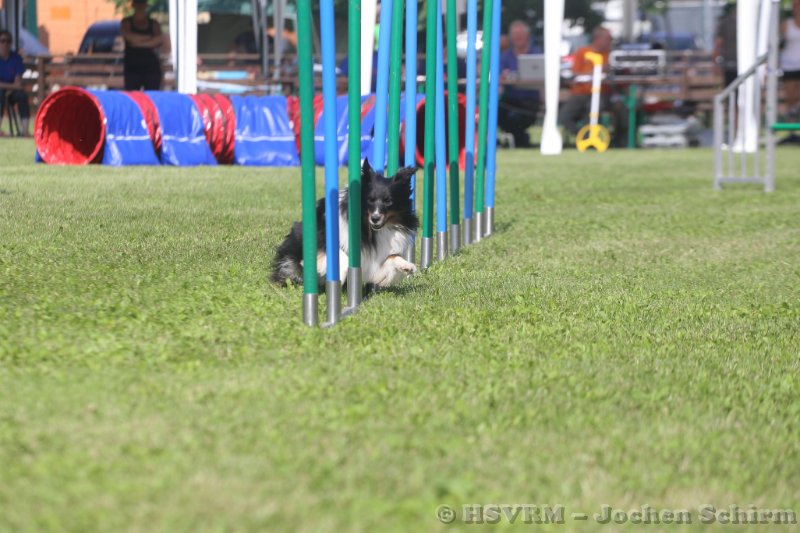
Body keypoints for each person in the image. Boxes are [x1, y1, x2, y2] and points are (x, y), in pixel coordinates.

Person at [559, 26, 627, 146]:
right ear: (598, 39)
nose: (610, 42)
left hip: (601, 93)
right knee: (564, 116)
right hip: (579, 93)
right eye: (608, 39)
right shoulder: (582, 52)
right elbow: (575, 73)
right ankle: (584, 137)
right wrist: (595, 72)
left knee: (593, 110)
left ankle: (597, 140)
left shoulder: (611, 55)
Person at [498, 20, 542, 148]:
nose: (517, 37)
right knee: (496, 111)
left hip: (530, 101)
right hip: (509, 99)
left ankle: (519, 139)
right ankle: (519, 139)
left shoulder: (537, 55)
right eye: (515, 34)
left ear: (527, 36)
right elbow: (499, 76)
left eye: (520, 34)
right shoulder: (505, 56)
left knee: (518, 118)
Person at [121, 0, 167, 91]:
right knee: (132, 95)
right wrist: (150, 39)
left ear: (146, 5)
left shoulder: (154, 24)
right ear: (133, 4)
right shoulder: (126, 22)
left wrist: (137, 43)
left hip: (151, 67)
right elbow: (129, 37)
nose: (140, 6)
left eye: (142, 2)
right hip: (132, 67)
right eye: (138, 2)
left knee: (152, 95)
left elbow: (158, 39)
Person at [0, 30, 30, 136]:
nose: (6, 44)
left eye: (8, 41)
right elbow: (15, 85)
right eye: (3, 41)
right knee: (0, 94)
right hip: (4, 91)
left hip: (12, 91)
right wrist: (10, 87)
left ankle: (25, 130)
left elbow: (18, 82)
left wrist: (9, 88)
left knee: (22, 95)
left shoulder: (16, 58)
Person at [781, 0, 800, 121]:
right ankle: (791, 127)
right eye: (795, 5)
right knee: (791, 98)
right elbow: (778, 44)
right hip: (789, 65)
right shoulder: (786, 24)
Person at [713, 4, 738, 88]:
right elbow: (718, 44)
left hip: (735, 63)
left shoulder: (725, 23)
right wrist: (715, 63)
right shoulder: (726, 23)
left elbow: (718, 44)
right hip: (730, 64)